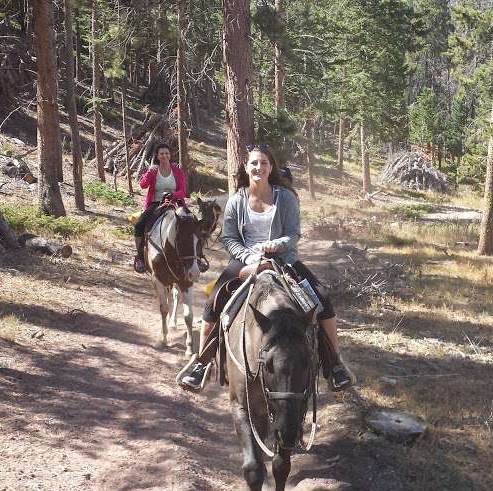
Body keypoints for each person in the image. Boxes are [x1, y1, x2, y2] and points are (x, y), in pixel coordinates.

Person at [179, 144, 355, 391]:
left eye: (263, 162)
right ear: (246, 167)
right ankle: (202, 363)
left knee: (323, 299)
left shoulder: (286, 198)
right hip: (245, 261)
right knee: (213, 305)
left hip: (284, 260)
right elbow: (229, 238)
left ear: (271, 167)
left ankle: (334, 365)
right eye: (254, 163)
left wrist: (275, 245)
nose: (258, 167)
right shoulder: (236, 201)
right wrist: (249, 258)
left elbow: (293, 234)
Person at [133, 144, 188, 273]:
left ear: (170, 155)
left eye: (167, 153)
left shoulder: (177, 170)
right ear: (157, 156)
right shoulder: (154, 170)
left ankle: (196, 257)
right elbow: (142, 185)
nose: (165, 156)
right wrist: (149, 172)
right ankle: (140, 256)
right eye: (162, 153)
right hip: (156, 203)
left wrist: (173, 195)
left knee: (191, 222)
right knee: (139, 224)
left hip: (175, 203)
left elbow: (183, 191)